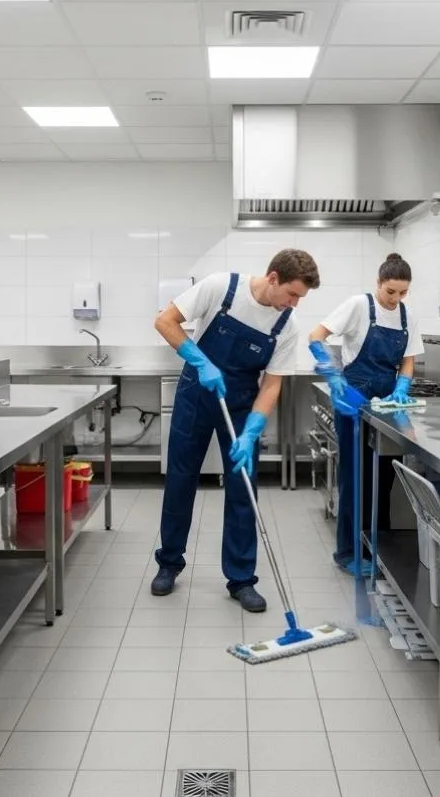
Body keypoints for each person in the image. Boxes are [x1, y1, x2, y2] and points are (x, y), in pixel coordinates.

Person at [151, 249, 320, 612]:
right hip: (197, 391)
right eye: (292, 294)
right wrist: (199, 360)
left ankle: (242, 579)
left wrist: (252, 430)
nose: (294, 304)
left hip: (242, 404)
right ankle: (169, 562)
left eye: (300, 298)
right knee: (181, 478)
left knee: (244, 485)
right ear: (273, 277)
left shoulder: (285, 326)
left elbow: (272, 384)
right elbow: (165, 321)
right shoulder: (221, 288)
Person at [308, 253, 423, 575]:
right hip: (353, 399)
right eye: (390, 292)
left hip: (387, 405)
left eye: (402, 293)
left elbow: (409, 359)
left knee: (384, 479)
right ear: (378, 284)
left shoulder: (406, 316)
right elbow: (315, 335)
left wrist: (402, 387)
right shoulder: (359, 305)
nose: (396, 299)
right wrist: (334, 377)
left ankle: (377, 550)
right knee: (355, 478)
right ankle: (347, 553)